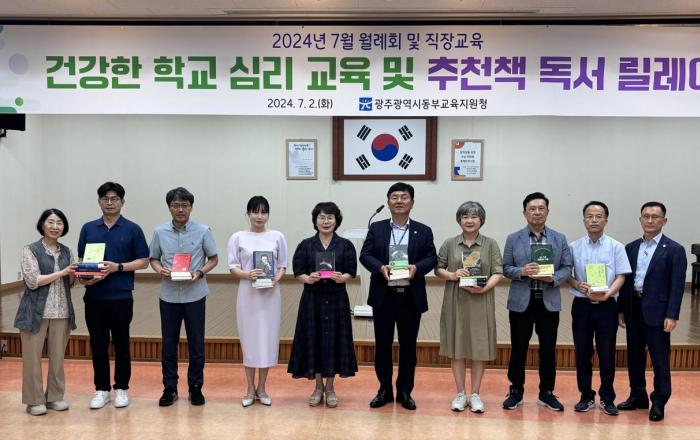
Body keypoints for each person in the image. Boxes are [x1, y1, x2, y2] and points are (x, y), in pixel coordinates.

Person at [360, 182, 437, 411]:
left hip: (410, 296)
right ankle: (384, 389)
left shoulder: (423, 230)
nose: (399, 201)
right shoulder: (377, 228)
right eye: (394, 197)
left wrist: (417, 268)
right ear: (388, 202)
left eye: (404, 197)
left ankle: (405, 391)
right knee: (382, 345)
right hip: (384, 295)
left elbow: (431, 257)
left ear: (412, 202)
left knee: (408, 347)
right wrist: (380, 267)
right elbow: (365, 255)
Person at [77, 181, 149, 409]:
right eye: (105, 199)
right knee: (97, 344)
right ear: (99, 201)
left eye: (114, 199)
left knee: (121, 344)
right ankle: (101, 389)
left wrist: (118, 267)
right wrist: (85, 277)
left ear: (122, 202)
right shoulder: (88, 228)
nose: (109, 203)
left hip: (121, 296)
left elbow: (144, 261)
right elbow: (82, 261)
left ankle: (121, 389)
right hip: (94, 297)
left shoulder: (133, 229)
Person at [502, 192, 573, 411]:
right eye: (532, 209)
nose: (537, 212)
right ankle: (516, 390)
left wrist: (553, 278)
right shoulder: (513, 238)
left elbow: (567, 267)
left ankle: (546, 392)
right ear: (524, 213)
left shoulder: (559, 238)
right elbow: (505, 268)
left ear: (548, 212)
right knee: (519, 348)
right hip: (521, 302)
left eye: (541, 208)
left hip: (548, 301)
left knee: (548, 349)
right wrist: (522, 271)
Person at [149, 187, 218, 407]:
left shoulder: (203, 231)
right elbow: (153, 258)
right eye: (176, 205)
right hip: (168, 296)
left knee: (196, 344)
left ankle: (195, 387)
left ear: (191, 207)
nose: (180, 209)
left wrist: (199, 273)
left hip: (195, 295)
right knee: (169, 344)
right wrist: (159, 269)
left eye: (184, 205)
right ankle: (169, 388)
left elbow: (213, 259)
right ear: (169, 207)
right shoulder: (159, 232)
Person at [617, 201, 687, 422]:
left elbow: (677, 286)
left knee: (659, 359)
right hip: (633, 309)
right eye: (645, 216)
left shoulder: (674, 249)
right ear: (640, 220)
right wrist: (621, 309)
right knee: (634, 356)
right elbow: (626, 281)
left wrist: (672, 314)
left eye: (655, 217)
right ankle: (637, 395)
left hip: (658, 312)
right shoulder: (630, 248)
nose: (649, 220)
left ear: (664, 221)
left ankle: (659, 401)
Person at [287, 202, 358, 408]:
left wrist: (342, 277)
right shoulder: (305, 245)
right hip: (312, 299)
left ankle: (331, 387)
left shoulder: (345, 245)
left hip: (337, 298)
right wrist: (307, 278)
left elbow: (351, 271)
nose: (326, 221)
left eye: (330, 217)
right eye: (322, 217)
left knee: (335, 340)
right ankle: (318, 387)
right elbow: (298, 271)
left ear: (337, 221)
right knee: (314, 339)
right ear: (315, 220)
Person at [435, 201, 503, 413]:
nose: (469, 220)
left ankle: (475, 394)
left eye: (474, 216)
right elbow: (438, 269)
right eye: (465, 216)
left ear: (481, 220)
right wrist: (452, 275)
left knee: (479, 347)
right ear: (459, 220)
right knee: (457, 347)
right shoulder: (450, 243)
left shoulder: (490, 244)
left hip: (481, 300)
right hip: (456, 300)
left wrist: (484, 289)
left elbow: (498, 272)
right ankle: (460, 393)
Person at [568, 201, 631, 416]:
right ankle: (586, 396)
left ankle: (607, 397)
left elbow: (621, 276)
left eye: (598, 216)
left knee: (607, 352)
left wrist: (609, 293)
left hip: (607, 306)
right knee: (582, 352)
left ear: (605, 220)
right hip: (582, 305)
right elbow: (567, 274)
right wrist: (578, 284)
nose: (594, 220)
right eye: (590, 216)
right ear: (583, 220)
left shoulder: (616, 246)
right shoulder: (574, 247)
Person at [14, 209, 78, 416]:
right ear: (42, 225)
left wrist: (78, 273)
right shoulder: (30, 250)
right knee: (32, 359)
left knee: (58, 359)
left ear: (64, 227)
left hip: (62, 311)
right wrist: (63, 272)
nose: (55, 226)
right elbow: (33, 281)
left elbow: (71, 282)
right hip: (35, 312)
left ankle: (55, 397)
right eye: (50, 222)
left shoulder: (67, 251)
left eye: (59, 223)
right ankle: (34, 401)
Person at [228, 196, 287, 407]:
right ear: (248, 214)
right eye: (255, 212)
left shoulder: (277, 236)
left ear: (268, 214)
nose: (259, 216)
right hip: (248, 295)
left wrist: (275, 280)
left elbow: (282, 265)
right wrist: (248, 274)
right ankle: (249, 388)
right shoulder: (237, 237)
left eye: (263, 212)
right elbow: (232, 266)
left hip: (270, 295)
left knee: (266, 341)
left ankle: (262, 388)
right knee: (250, 341)